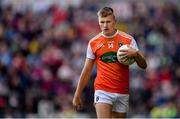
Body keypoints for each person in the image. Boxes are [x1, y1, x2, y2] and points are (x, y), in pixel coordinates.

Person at [72, 7, 147, 118]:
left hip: (122, 90)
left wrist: (136, 54)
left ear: (114, 22)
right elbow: (86, 71)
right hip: (103, 90)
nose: (105, 25)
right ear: (98, 22)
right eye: (102, 22)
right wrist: (77, 94)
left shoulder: (128, 40)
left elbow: (144, 65)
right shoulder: (93, 43)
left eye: (108, 22)